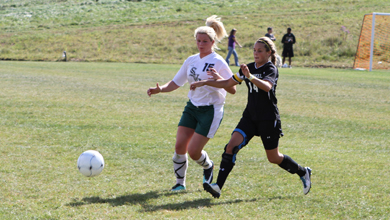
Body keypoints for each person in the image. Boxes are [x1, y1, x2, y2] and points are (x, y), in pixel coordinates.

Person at [190, 37, 311, 198]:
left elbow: (267, 87)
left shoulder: (270, 69)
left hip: (268, 118)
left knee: (273, 157)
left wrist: (250, 77)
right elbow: (228, 84)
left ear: (268, 53)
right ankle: (217, 186)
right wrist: (205, 82)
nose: (256, 53)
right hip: (250, 117)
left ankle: (303, 171)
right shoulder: (249, 67)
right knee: (230, 147)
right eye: (254, 50)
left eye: (260, 51)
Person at [147, 15, 236, 192]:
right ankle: (180, 184)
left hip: (210, 111)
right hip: (192, 108)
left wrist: (218, 79)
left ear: (212, 42)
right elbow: (175, 82)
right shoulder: (191, 60)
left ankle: (208, 166)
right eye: (198, 41)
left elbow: (232, 89)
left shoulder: (218, 61)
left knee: (194, 152)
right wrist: (160, 89)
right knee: (180, 146)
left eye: (204, 41)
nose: (200, 44)